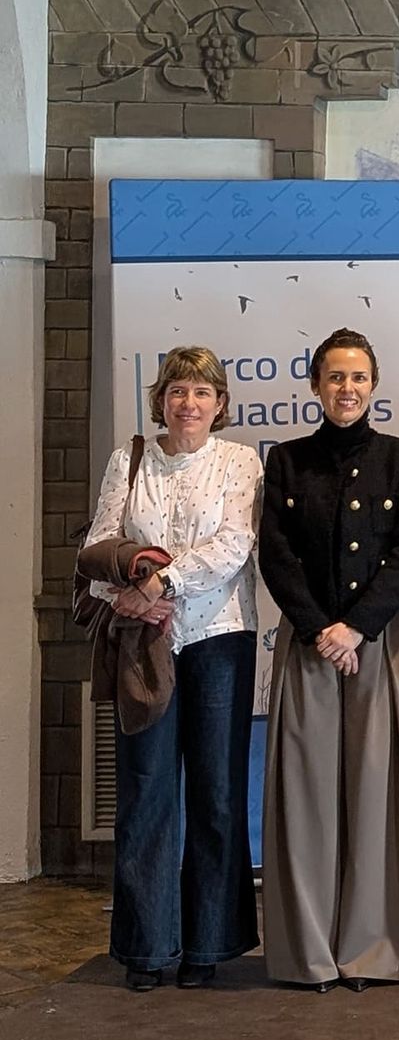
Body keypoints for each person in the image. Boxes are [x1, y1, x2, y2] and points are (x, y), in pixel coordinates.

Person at [83, 345, 262, 991]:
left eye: (202, 392)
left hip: (219, 640)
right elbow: (98, 545)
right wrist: (130, 593)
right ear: (160, 399)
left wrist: (161, 584)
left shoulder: (240, 462)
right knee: (146, 791)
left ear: (221, 404)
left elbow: (234, 545)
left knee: (216, 794)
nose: (189, 403)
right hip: (144, 642)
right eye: (178, 391)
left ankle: (209, 944)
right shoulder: (128, 461)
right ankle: (147, 948)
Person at [258, 327, 399, 991]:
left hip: (377, 644)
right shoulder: (287, 461)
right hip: (308, 645)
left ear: (374, 385)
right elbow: (276, 555)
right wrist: (320, 629)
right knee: (305, 799)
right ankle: (307, 954)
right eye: (335, 377)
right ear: (315, 386)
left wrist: (355, 629)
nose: (347, 389)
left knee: (376, 794)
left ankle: (371, 951)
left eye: (358, 377)